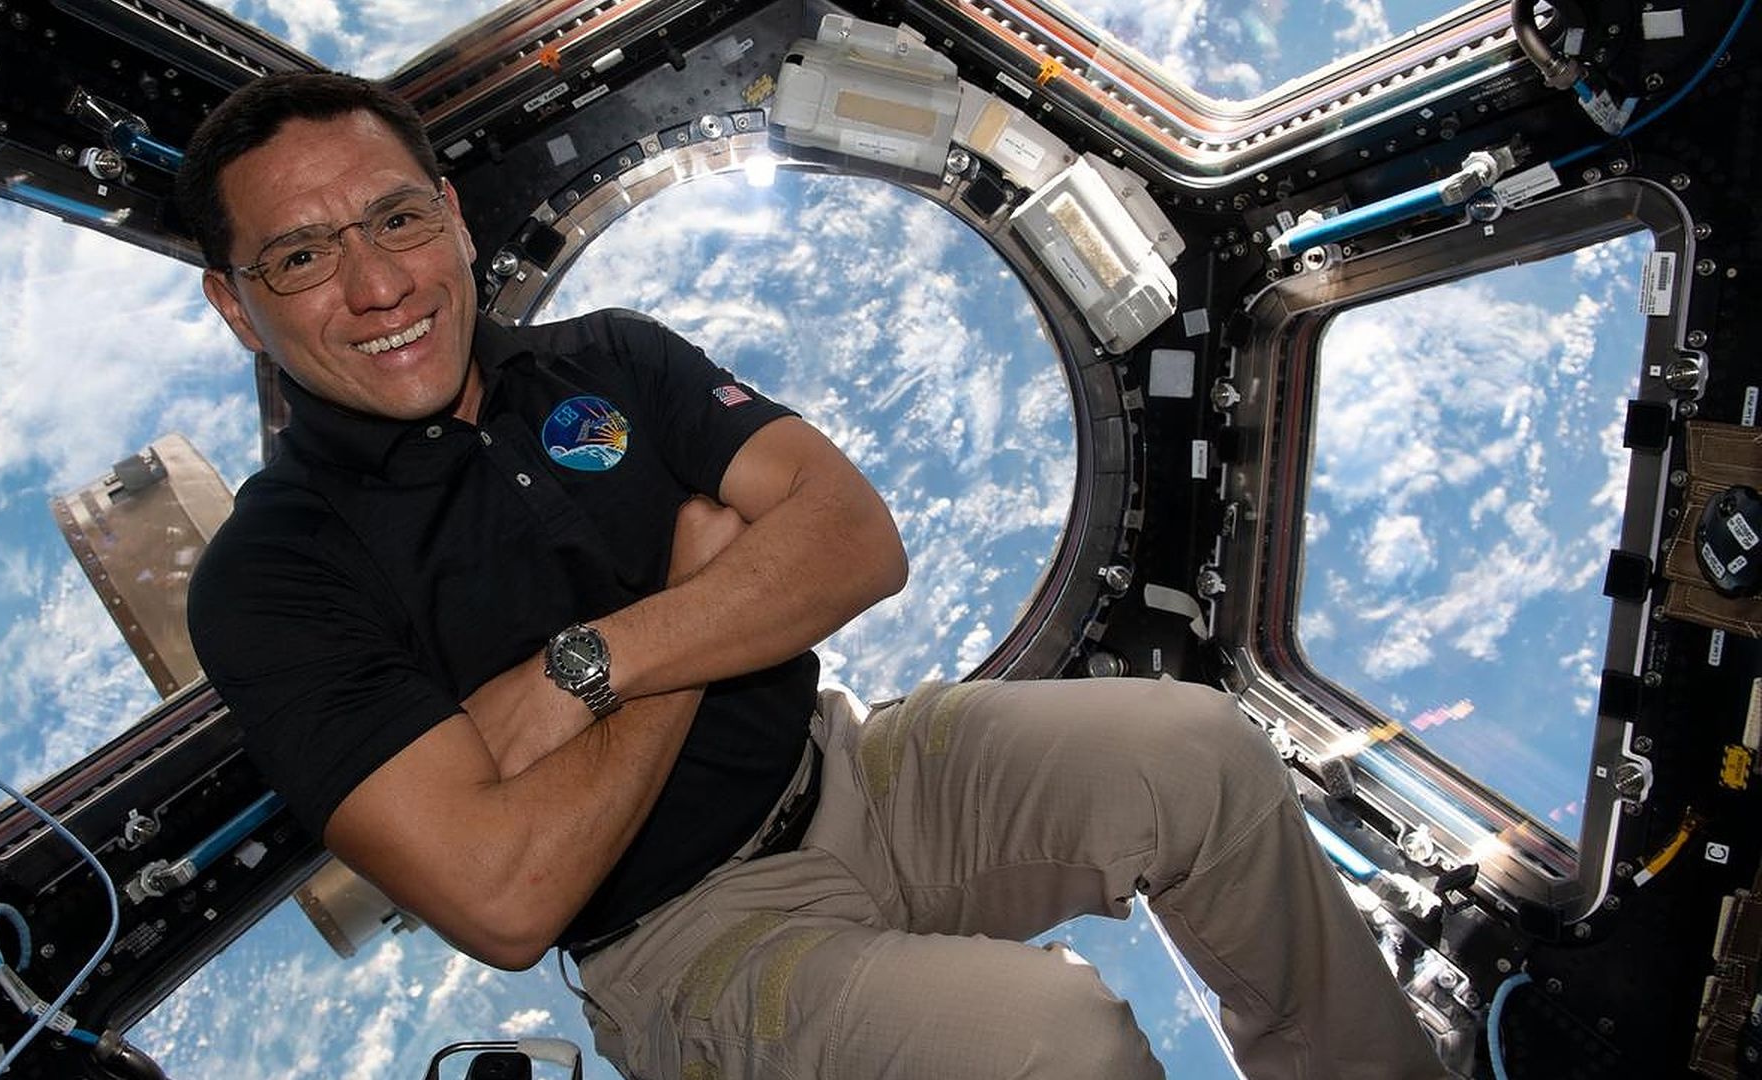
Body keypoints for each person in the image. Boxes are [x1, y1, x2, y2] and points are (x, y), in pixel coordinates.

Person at [181, 71, 1445, 1079]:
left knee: (1196, 750)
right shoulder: (272, 574)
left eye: (397, 218)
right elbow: (505, 895)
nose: (378, 283)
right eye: (299, 256)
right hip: (682, 939)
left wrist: (587, 672)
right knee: (1059, 1049)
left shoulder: (607, 358)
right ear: (239, 307)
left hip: (858, 767)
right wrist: (689, 625)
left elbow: (851, 541)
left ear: (449, 216)